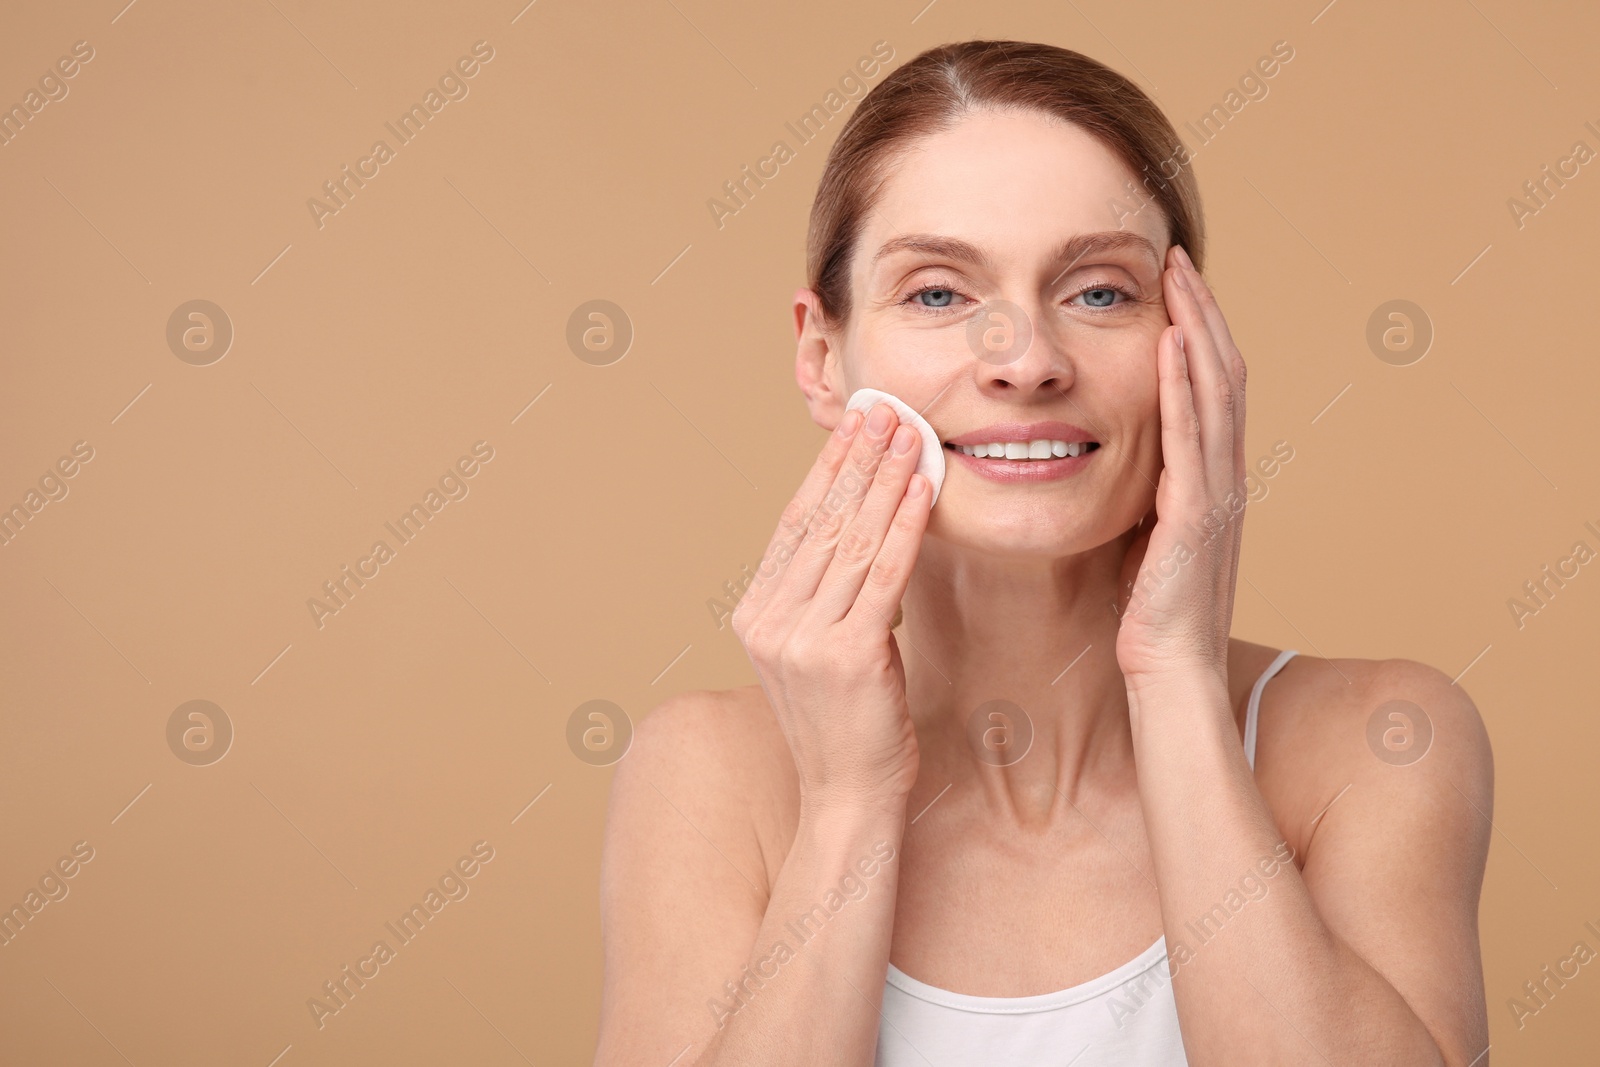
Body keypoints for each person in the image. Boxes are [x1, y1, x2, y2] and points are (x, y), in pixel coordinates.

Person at [595, 39, 1492, 1066]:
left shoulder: (1378, 742)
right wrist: (846, 803)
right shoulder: (705, 772)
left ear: (1188, 342)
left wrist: (1178, 682)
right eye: (938, 293)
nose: (1024, 361)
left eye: (1098, 291)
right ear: (821, 357)